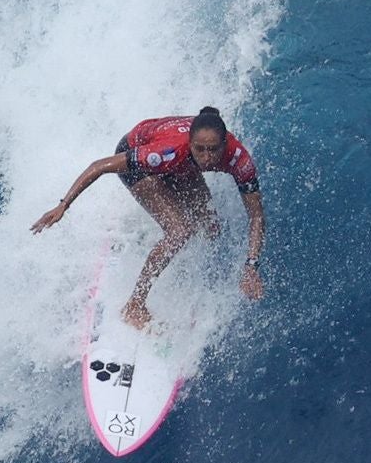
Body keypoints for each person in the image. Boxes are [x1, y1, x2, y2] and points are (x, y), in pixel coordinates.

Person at [30, 107, 264, 329]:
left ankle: (162, 254)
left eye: (213, 150)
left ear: (225, 144)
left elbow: (256, 216)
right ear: (191, 144)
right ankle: (134, 305)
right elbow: (98, 166)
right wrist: (63, 205)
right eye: (200, 149)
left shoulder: (238, 159)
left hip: (179, 162)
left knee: (211, 227)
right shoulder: (166, 153)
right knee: (179, 232)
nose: (207, 157)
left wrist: (251, 265)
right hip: (136, 152)